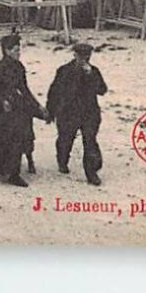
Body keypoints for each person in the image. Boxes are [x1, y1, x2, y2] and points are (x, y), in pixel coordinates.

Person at [0, 34, 47, 187]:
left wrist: (37, 105)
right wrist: (2, 100)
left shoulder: (19, 67)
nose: (18, 53)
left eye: (19, 50)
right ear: (7, 51)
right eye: (15, 50)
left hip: (16, 106)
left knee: (17, 137)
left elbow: (24, 88)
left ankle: (13, 173)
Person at [45, 42, 107, 185]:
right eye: (81, 56)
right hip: (68, 113)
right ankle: (62, 160)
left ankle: (92, 174)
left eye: (87, 56)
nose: (84, 60)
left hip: (89, 113)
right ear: (75, 55)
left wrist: (90, 74)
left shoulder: (94, 71)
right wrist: (50, 111)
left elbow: (102, 90)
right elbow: (54, 92)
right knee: (65, 140)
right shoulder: (64, 71)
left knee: (90, 142)